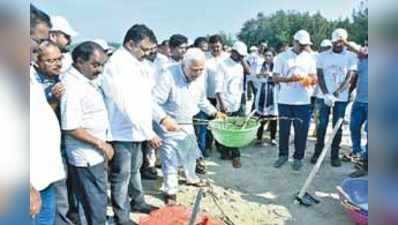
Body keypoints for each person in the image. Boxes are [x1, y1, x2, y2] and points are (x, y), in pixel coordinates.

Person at [101, 24, 161, 225]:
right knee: (121, 175)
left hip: (137, 130)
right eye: (143, 49)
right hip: (121, 130)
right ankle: (122, 217)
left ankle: (138, 201)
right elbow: (126, 104)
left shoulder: (137, 63)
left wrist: (160, 119)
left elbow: (145, 99)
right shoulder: (117, 64)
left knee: (135, 169)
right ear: (130, 44)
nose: (146, 53)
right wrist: (149, 132)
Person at [152, 48, 226, 205]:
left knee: (190, 152)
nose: (197, 73)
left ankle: (191, 178)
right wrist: (164, 119)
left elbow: (201, 100)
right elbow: (153, 102)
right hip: (168, 123)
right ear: (183, 64)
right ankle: (170, 191)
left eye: (201, 70)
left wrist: (214, 112)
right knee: (170, 158)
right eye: (194, 70)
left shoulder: (199, 77)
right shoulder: (168, 75)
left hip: (187, 121)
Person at [60, 41, 112, 225]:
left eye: (102, 65)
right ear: (80, 61)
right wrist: (100, 143)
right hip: (86, 155)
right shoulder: (72, 87)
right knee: (95, 202)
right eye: (95, 65)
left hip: (94, 153)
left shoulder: (85, 81)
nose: (99, 70)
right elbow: (70, 126)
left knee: (91, 201)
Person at [311, 28, 358, 167]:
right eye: (335, 42)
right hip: (323, 96)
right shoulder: (323, 56)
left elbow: (350, 77)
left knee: (337, 127)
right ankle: (317, 153)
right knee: (321, 126)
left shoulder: (350, 56)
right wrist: (326, 93)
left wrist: (336, 94)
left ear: (344, 42)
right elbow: (319, 75)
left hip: (340, 98)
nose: (337, 44)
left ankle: (334, 155)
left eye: (340, 42)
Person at [272, 30, 317, 171]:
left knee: (301, 131)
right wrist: (289, 79)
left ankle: (298, 157)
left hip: (303, 101)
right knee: (284, 130)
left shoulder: (309, 58)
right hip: (285, 100)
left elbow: (314, 78)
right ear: (294, 42)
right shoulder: (281, 57)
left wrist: (307, 80)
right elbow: (274, 78)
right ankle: (283, 155)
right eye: (301, 45)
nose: (303, 47)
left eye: (305, 45)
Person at [215, 41, 251, 168]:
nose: (241, 57)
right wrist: (222, 104)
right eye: (239, 55)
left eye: (243, 56)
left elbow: (249, 72)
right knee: (225, 128)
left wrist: (242, 60)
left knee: (236, 129)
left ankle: (235, 155)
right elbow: (218, 87)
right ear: (233, 52)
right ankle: (225, 152)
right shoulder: (222, 65)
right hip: (225, 102)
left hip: (238, 100)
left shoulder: (240, 64)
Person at [348, 44, 368, 177]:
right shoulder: (361, 60)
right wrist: (349, 92)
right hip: (359, 101)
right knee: (354, 127)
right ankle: (357, 152)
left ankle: (366, 164)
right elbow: (355, 78)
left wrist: (344, 41)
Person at [255, 49, 278, 146]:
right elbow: (256, 75)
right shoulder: (260, 65)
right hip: (262, 92)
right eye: (266, 55)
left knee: (273, 117)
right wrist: (262, 74)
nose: (268, 58)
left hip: (273, 92)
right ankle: (259, 137)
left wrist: (270, 74)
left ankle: (272, 137)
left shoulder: (276, 66)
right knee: (261, 116)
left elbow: (278, 76)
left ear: (273, 56)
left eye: (270, 55)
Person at [310, 39, 332, 137]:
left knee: (319, 112)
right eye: (325, 48)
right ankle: (315, 129)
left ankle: (316, 130)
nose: (327, 50)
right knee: (314, 111)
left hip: (321, 91)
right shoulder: (314, 57)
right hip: (312, 90)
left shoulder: (330, 58)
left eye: (329, 48)